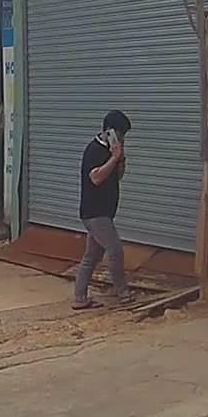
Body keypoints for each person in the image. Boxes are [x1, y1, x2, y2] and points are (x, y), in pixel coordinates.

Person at [73, 110, 135, 310]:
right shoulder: (94, 150)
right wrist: (113, 158)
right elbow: (96, 178)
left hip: (104, 212)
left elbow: (118, 176)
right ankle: (122, 293)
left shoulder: (111, 151)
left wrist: (120, 159)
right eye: (120, 134)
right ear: (110, 131)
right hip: (95, 212)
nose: (122, 138)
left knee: (91, 256)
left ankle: (80, 298)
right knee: (115, 250)